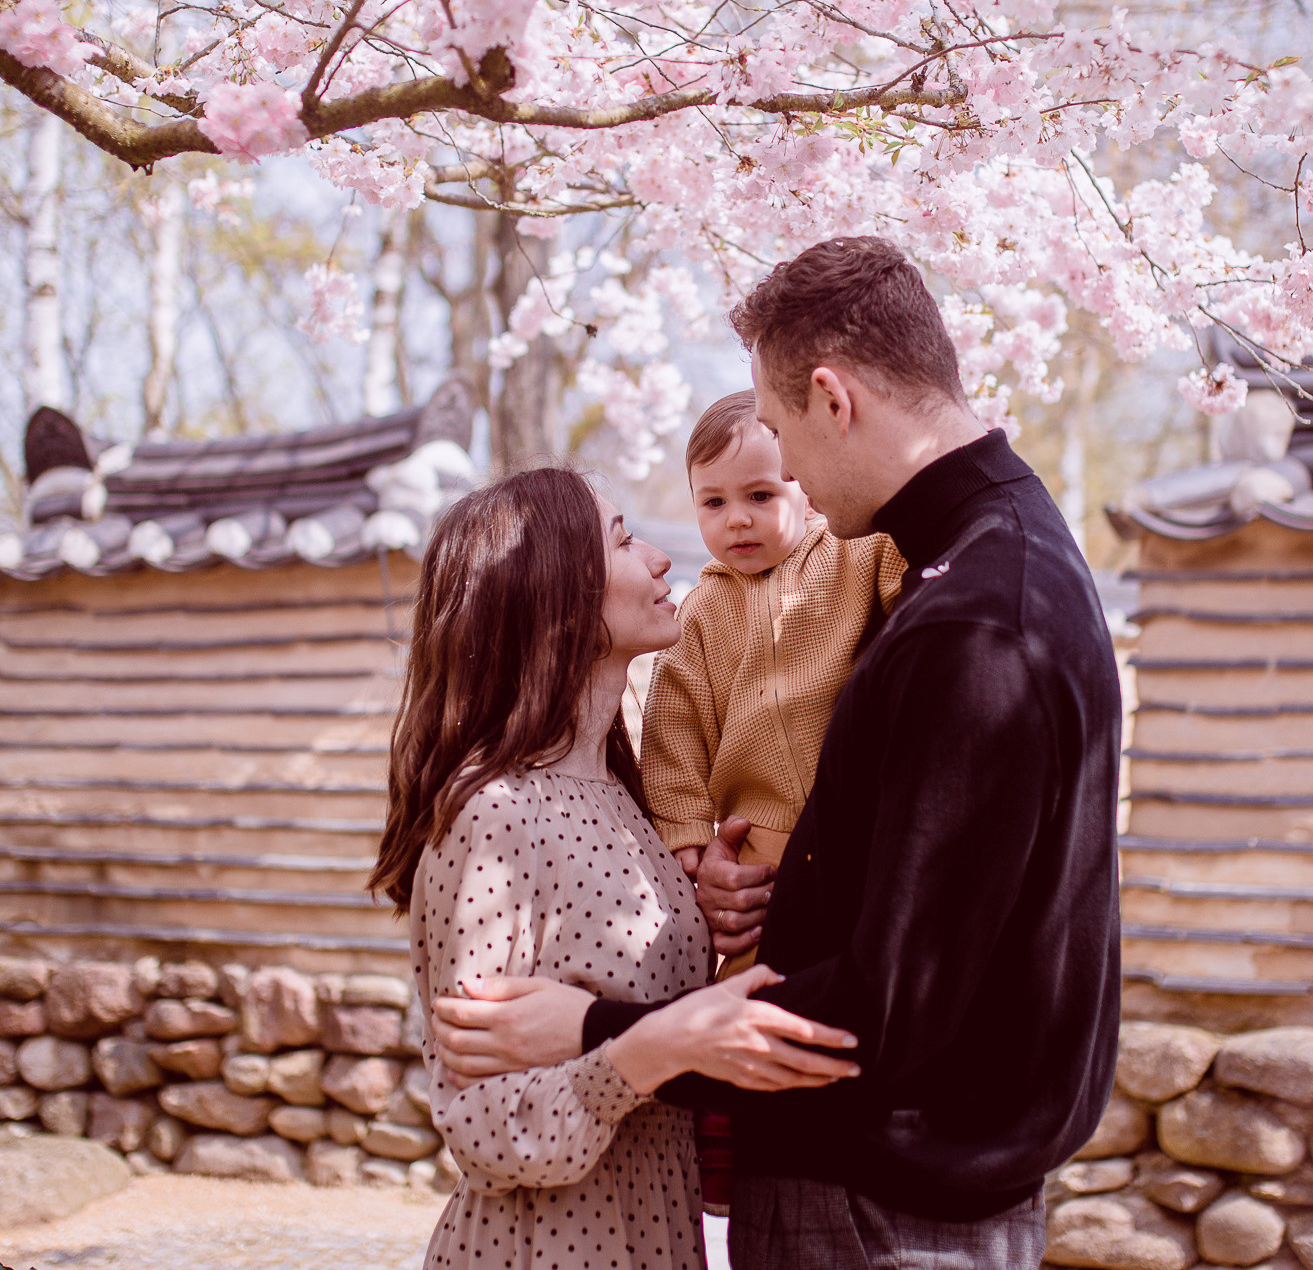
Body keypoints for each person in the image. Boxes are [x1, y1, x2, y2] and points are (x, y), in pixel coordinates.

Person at [434, 239, 1124, 1269]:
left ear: (833, 399)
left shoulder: (974, 626)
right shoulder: (979, 570)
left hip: (876, 1205)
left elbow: (879, 1013)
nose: (782, 469)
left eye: (779, 424)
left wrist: (600, 1035)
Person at [371, 467, 860, 1270]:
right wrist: (647, 1051)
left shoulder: (628, 800)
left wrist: (715, 909)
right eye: (625, 538)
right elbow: (484, 1128)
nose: (664, 559)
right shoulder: (492, 816)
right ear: (557, 594)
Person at [643, 388, 904, 973]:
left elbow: (919, 604)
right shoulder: (700, 611)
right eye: (713, 502)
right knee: (759, 971)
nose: (737, 518)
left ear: (804, 488)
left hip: (864, 816)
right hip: (761, 842)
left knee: (868, 963)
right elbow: (674, 726)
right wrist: (687, 833)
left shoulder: (857, 553)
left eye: (760, 495)